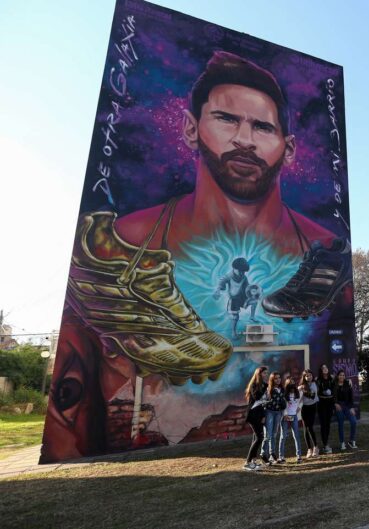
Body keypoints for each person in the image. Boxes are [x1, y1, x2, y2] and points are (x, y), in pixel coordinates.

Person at [43, 51, 352, 462]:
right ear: (192, 128)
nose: (245, 139)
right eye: (226, 119)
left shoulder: (329, 252)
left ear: (288, 147)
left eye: (262, 126)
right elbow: (71, 415)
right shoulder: (125, 240)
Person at [242, 365, 268, 471]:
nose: (266, 375)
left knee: (256, 437)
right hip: (252, 415)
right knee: (259, 438)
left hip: (259, 414)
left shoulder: (264, 385)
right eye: (264, 373)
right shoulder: (254, 385)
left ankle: (253, 461)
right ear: (259, 374)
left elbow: (262, 403)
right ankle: (247, 462)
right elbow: (257, 397)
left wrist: (263, 416)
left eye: (267, 373)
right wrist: (265, 388)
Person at [262, 371, 286, 466]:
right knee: (267, 434)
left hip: (278, 413)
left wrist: (282, 405)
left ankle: (272, 454)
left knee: (274, 434)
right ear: (272, 379)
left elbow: (283, 401)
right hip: (269, 412)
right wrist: (270, 402)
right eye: (276, 378)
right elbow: (263, 402)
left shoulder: (282, 389)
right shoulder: (268, 389)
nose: (278, 379)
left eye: (279, 377)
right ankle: (264, 455)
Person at [279, 375, 302, 463]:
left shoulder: (297, 393)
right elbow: (283, 405)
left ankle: (299, 456)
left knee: (296, 436)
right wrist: (285, 414)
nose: (292, 385)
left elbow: (301, 400)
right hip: (285, 417)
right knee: (283, 436)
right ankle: (281, 457)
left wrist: (299, 406)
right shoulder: (284, 394)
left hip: (294, 416)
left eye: (293, 383)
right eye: (290, 384)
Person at [334, 369, 358, 450]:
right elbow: (333, 396)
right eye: (340, 375)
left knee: (354, 421)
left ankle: (351, 441)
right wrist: (335, 403)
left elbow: (351, 397)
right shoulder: (334, 384)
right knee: (341, 423)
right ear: (338, 376)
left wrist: (351, 407)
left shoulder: (348, 384)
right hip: (338, 406)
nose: (342, 376)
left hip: (347, 406)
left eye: (343, 375)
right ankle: (342, 442)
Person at [316, 364, 336, 454]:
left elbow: (341, 380)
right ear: (321, 370)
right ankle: (325, 444)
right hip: (322, 404)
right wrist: (323, 392)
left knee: (328, 424)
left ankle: (326, 442)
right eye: (323, 368)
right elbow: (316, 390)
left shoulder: (332, 379)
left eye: (326, 367)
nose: (325, 369)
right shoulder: (318, 380)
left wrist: (349, 380)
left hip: (330, 404)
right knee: (323, 424)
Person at [300, 369, 319, 458]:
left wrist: (303, 390)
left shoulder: (314, 384)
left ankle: (316, 447)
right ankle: (309, 449)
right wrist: (299, 389)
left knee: (310, 427)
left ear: (312, 376)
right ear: (304, 377)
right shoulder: (302, 386)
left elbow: (312, 396)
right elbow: (296, 395)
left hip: (312, 407)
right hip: (304, 408)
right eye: (307, 376)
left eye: (310, 375)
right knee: (305, 429)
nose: (309, 377)